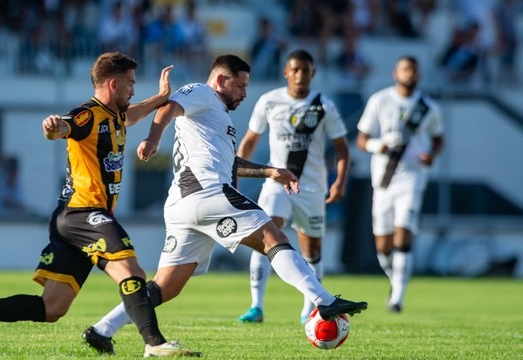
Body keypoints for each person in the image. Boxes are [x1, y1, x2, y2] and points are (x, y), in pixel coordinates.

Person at [81, 54, 367, 355]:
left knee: (166, 286)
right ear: (220, 80)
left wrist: (271, 171)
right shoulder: (202, 92)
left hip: (186, 203)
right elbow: (169, 108)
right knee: (273, 237)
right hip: (206, 192)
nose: (244, 93)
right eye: (240, 86)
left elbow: (230, 163)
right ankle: (324, 301)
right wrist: (153, 139)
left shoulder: (216, 116)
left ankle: (102, 330)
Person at [0, 52, 199, 358]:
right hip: (85, 213)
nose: (133, 90)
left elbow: (130, 115)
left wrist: (160, 98)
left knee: (52, 307)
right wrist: (51, 127)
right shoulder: (88, 115)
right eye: (130, 83)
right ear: (112, 83)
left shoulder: (115, 115)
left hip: (69, 219)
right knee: (131, 270)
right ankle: (154, 343)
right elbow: (62, 128)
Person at [236, 49, 350, 325]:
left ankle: (308, 309)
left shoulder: (324, 106)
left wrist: (339, 182)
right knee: (265, 234)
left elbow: (342, 149)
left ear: (313, 73)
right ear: (286, 72)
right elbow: (250, 140)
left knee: (311, 250)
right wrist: (236, 175)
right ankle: (256, 306)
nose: (300, 75)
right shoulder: (270, 101)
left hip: (312, 187)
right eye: (295, 70)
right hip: (278, 183)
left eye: (305, 70)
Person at [355, 56, 444, 313]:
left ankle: (398, 299)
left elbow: (438, 140)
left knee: (403, 234)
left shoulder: (429, 107)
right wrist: (378, 145)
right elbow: (362, 139)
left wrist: (431, 156)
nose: (409, 74)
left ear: (418, 75)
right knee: (383, 246)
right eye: (405, 69)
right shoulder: (380, 100)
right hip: (384, 178)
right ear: (396, 73)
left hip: (412, 177)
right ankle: (395, 280)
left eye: (413, 70)